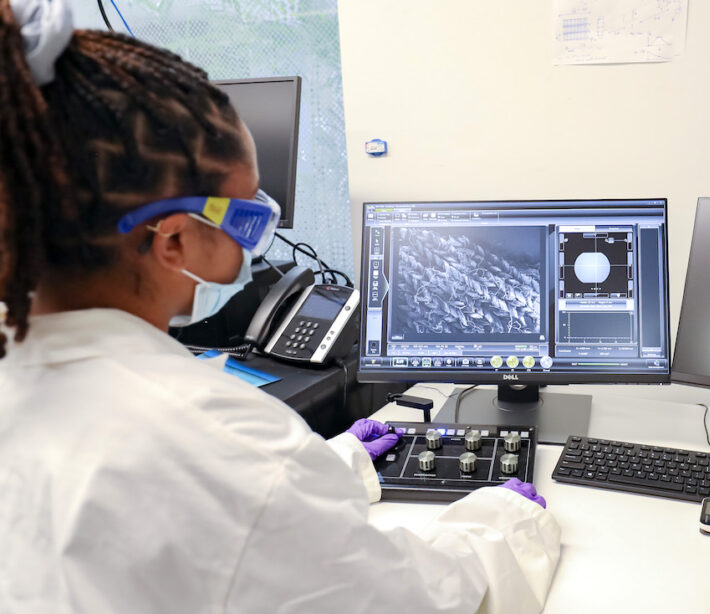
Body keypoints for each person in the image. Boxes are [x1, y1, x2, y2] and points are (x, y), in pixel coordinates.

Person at [0, 1, 560, 612]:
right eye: (249, 217)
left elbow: (208, 520)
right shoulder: (219, 441)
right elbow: (424, 602)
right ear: (174, 240)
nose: (255, 245)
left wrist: (329, 467)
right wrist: (502, 527)